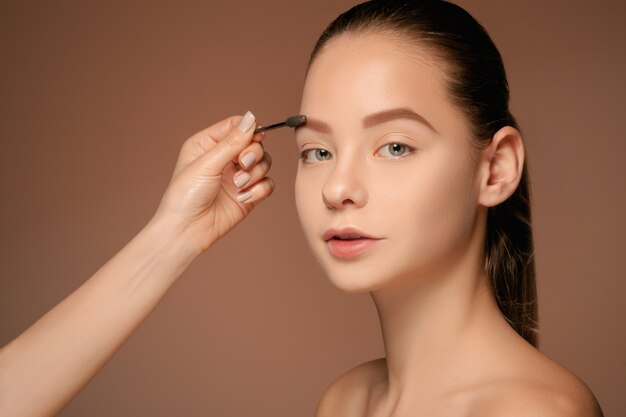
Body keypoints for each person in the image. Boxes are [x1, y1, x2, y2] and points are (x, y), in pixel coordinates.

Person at [0, 1, 604, 416]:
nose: (338, 186)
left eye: (394, 146)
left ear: (494, 168)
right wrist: (171, 234)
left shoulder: (532, 411)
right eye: (316, 150)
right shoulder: (346, 401)